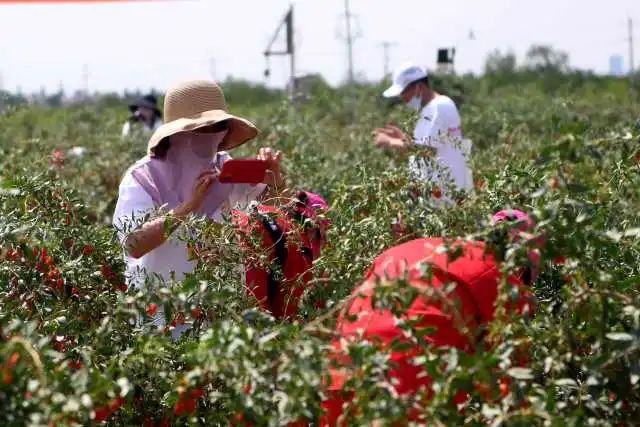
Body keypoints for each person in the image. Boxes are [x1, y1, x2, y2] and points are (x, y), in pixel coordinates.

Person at [321, 210, 543, 425]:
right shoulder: (502, 281)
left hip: (338, 378)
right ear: (522, 266)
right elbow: (511, 389)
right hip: (404, 392)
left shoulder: (421, 247)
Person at [112, 80, 284, 331]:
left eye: (218, 126)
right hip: (161, 313)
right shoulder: (143, 178)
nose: (211, 135)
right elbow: (133, 244)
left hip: (219, 311)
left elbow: (270, 217)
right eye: (202, 128)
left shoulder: (226, 168)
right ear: (177, 133)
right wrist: (189, 206)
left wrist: (275, 181)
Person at [373, 62, 473, 196]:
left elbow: (427, 150)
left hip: (446, 194)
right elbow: (427, 144)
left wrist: (389, 142)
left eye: (403, 92)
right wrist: (402, 139)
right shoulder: (432, 108)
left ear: (418, 87)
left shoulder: (439, 107)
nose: (402, 97)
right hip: (438, 193)